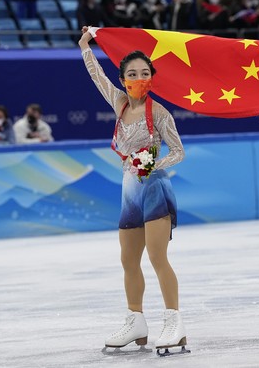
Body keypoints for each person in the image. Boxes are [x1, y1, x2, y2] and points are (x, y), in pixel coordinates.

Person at [78, 26, 188, 354]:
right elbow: (97, 75)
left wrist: (154, 164)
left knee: (157, 256)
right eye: (131, 73)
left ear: (152, 77)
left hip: (154, 188)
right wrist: (86, 45)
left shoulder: (161, 113)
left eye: (144, 72)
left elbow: (179, 151)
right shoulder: (120, 104)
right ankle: (136, 320)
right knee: (128, 260)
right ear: (123, 78)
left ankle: (174, 320)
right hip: (129, 190)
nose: (138, 77)